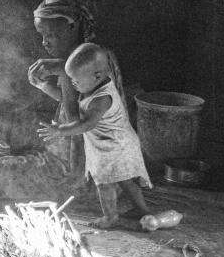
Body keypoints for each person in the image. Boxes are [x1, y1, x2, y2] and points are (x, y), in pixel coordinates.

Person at [0, 0, 100, 201]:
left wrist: (63, 71)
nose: (45, 42)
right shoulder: (73, 55)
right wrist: (44, 86)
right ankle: (27, 155)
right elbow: (72, 102)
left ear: (72, 26)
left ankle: (32, 162)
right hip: (55, 134)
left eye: (50, 34)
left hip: (72, 164)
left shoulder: (96, 60)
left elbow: (81, 128)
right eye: (42, 35)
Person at [39, 43, 152, 228]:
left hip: (114, 145)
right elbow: (69, 101)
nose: (72, 84)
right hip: (115, 142)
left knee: (104, 183)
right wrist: (44, 87)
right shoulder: (93, 86)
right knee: (125, 180)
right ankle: (143, 211)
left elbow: (86, 124)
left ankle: (110, 217)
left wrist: (60, 130)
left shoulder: (102, 99)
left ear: (97, 75)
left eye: (75, 81)